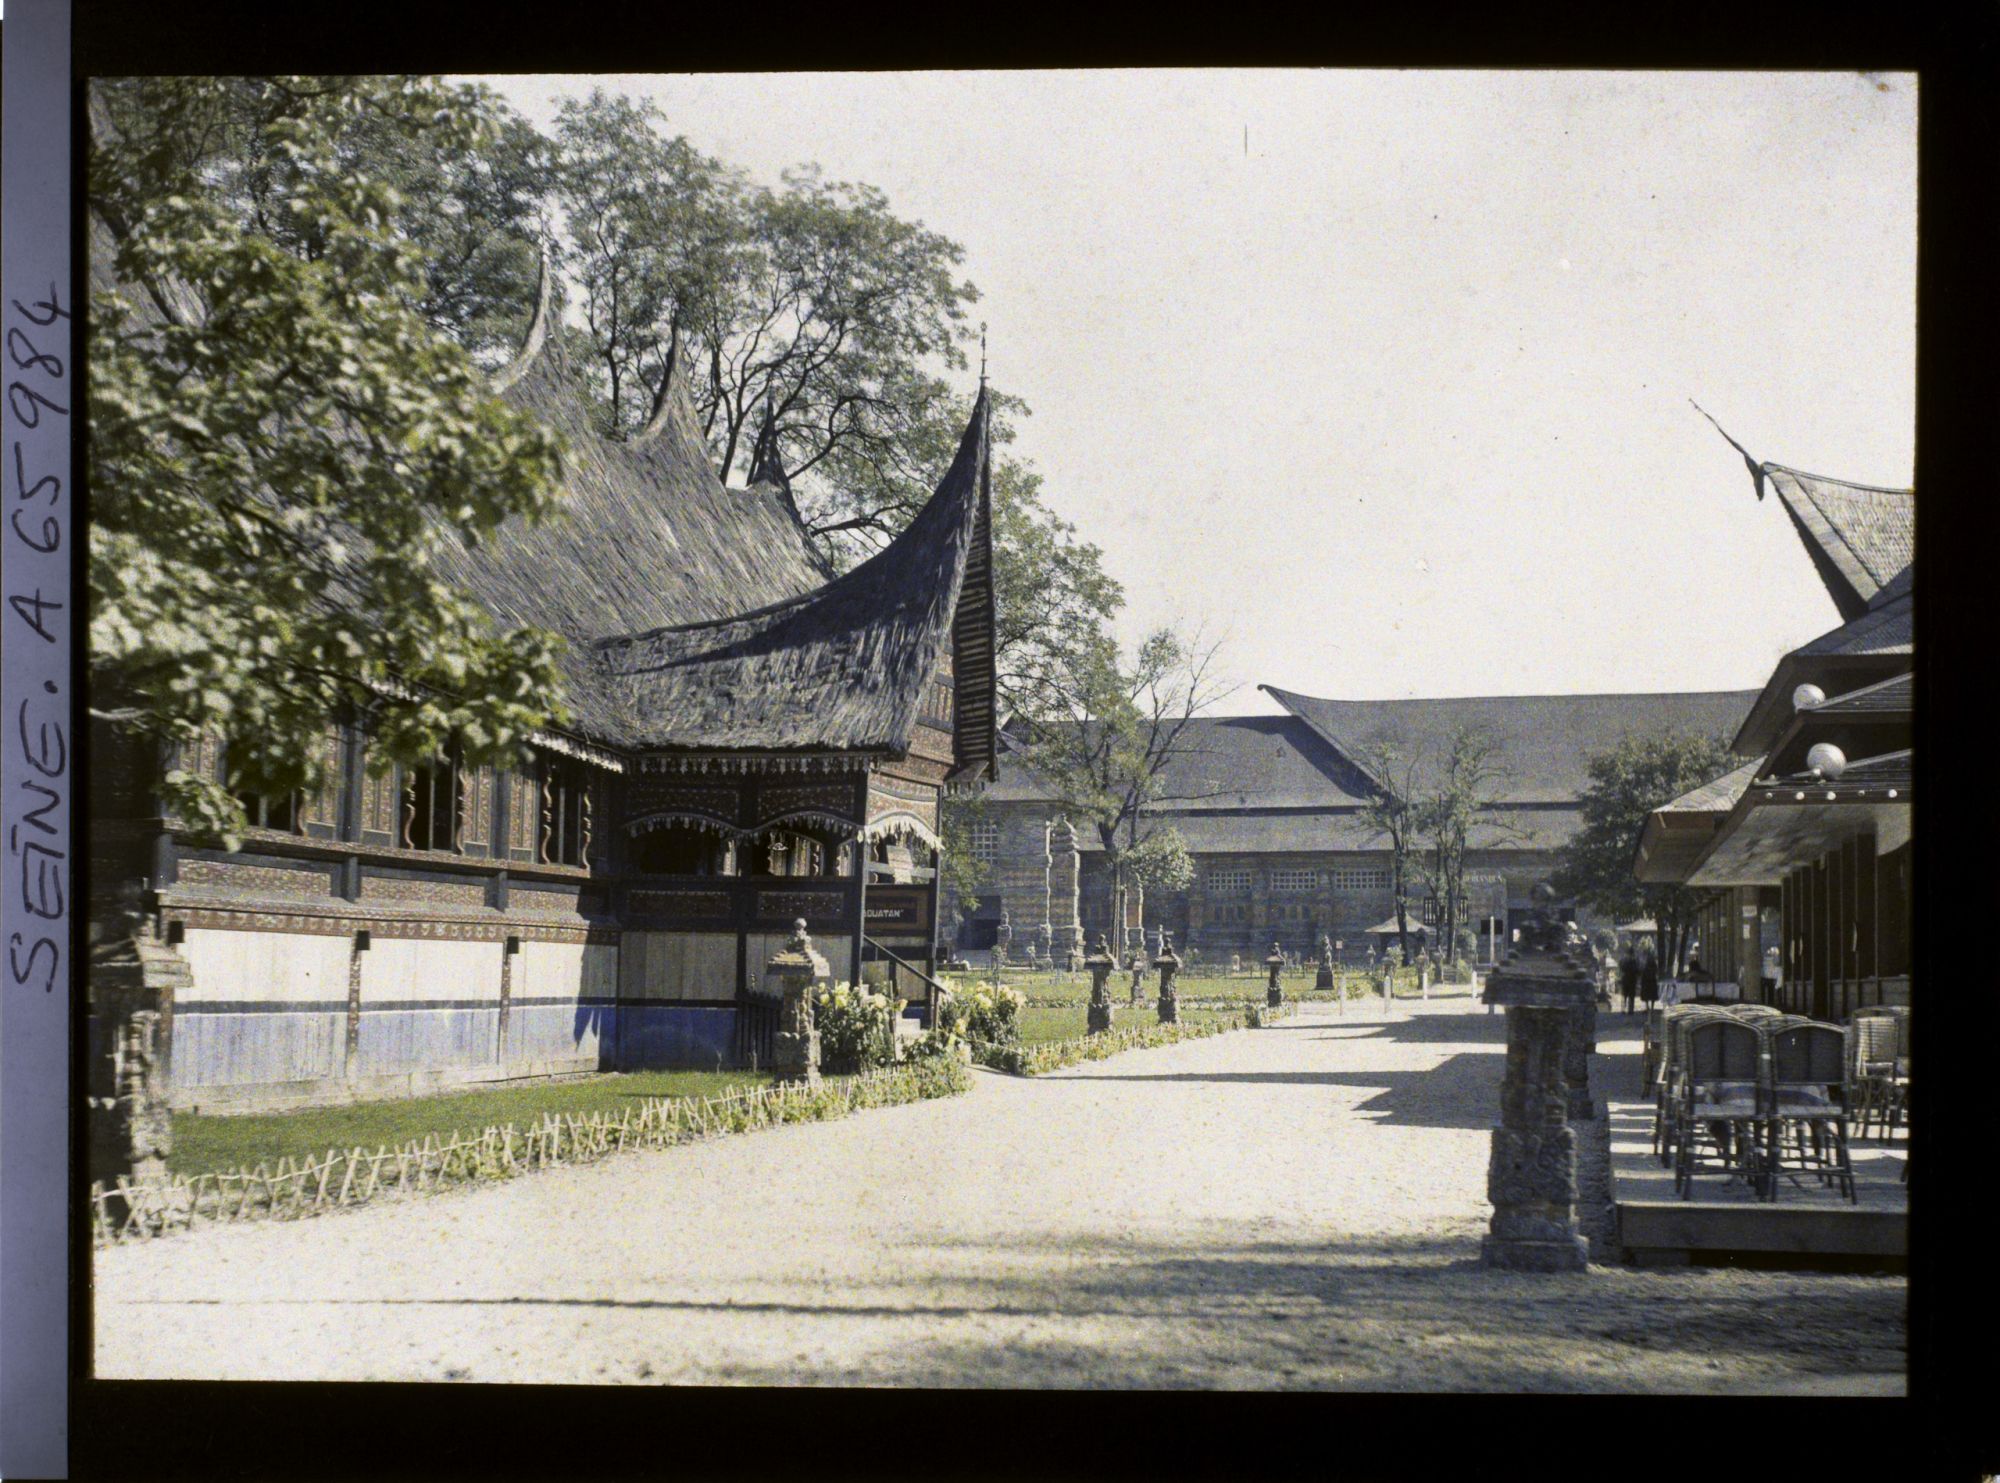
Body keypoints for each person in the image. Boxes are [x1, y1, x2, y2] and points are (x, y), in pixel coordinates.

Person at [1618, 947, 1639, 1015]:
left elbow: (1621, 968)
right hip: (1632, 980)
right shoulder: (1634, 961)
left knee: (1625, 995)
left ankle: (1623, 1010)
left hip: (1626, 979)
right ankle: (1630, 1010)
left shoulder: (1624, 960)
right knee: (1631, 996)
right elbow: (1637, 970)